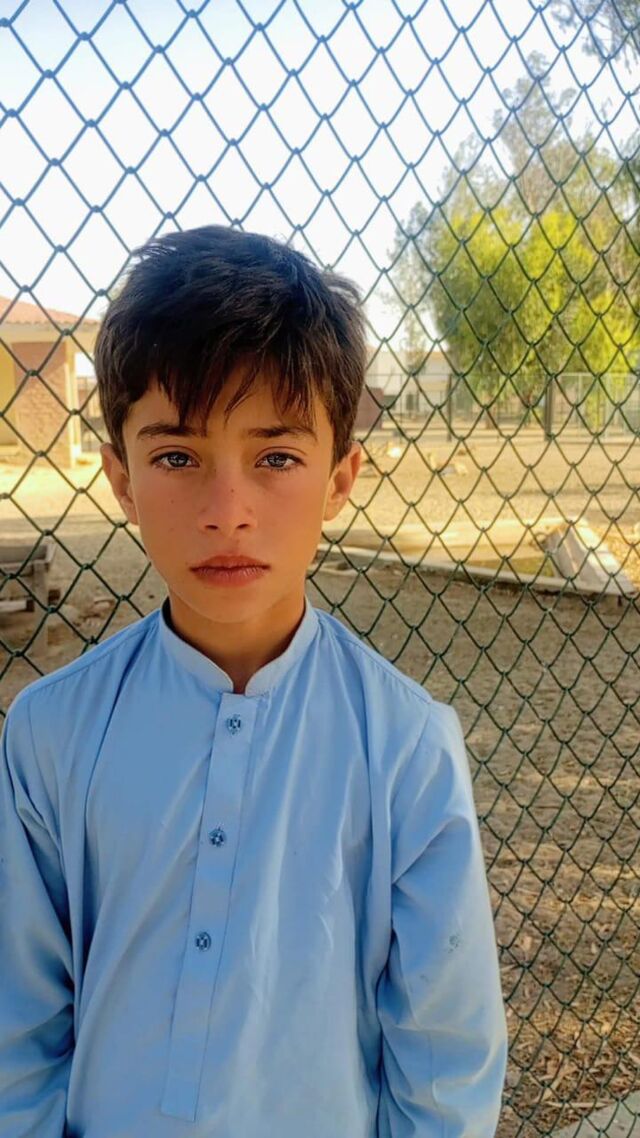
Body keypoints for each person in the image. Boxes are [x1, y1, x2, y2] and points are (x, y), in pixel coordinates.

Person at [0, 225, 508, 1137]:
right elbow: (17, 1039)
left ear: (340, 478)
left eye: (276, 458)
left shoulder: (406, 748)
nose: (226, 512)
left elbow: (445, 1064)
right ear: (120, 475)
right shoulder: (49, 734)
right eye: (176, 457)